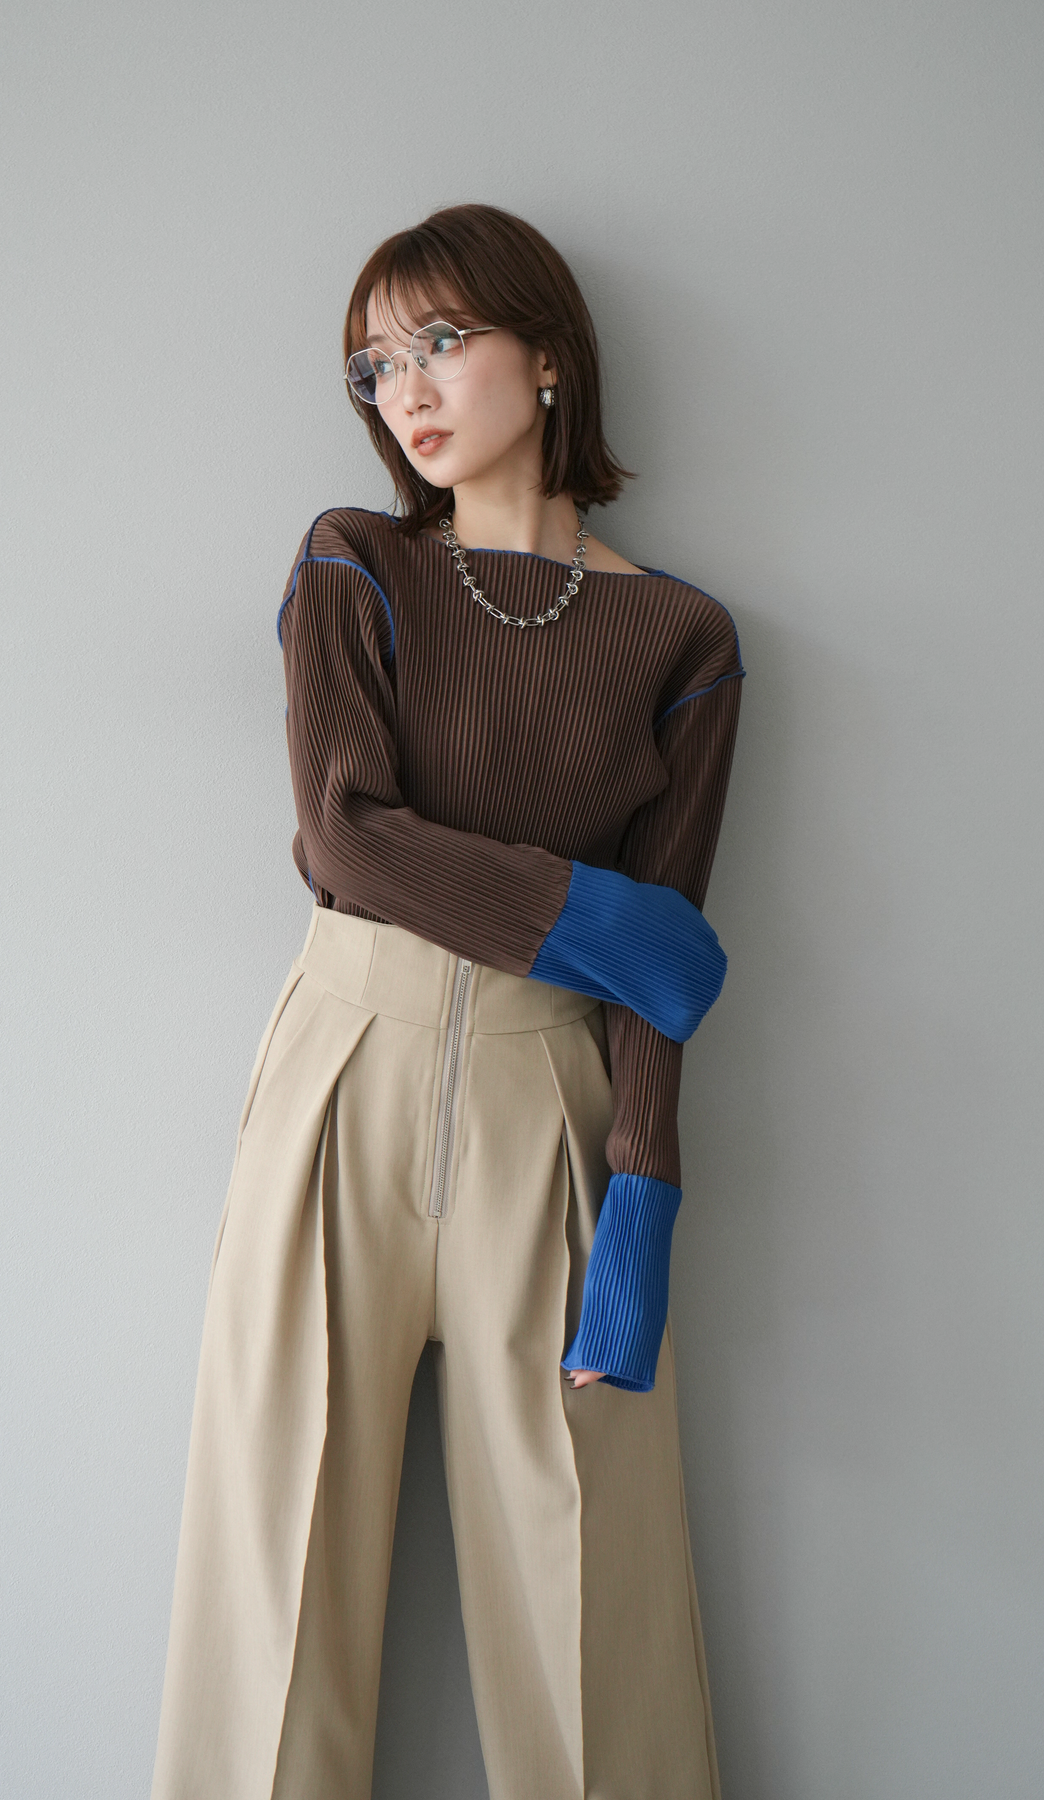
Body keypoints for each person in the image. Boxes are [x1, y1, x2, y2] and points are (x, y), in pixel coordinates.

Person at [150, 202, 744, 1800]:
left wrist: (645, 1198)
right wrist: (590, 914)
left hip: (551, 1105)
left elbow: (667, 969)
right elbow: (343, 835)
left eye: (440, 340)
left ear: (546, 355)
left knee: (589, 1587)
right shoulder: (357, 560)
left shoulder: (682, 638)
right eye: (372, 365)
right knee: (274, 1567)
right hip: (343, 1074)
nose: (402, 390)